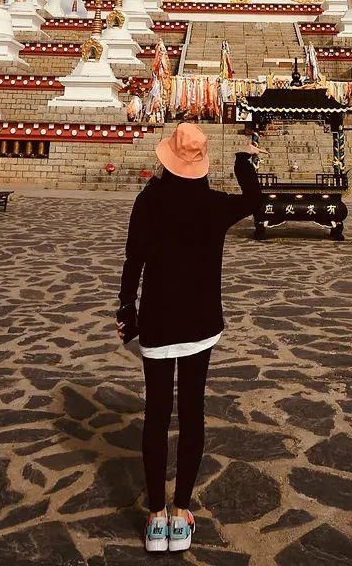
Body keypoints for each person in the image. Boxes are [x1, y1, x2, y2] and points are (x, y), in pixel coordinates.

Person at [116, 122, 263, 553]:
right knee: (192, 413)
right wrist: (243, 163)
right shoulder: (214, 206)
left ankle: (155, 515)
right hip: (200, 324)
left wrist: (127, 308)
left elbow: (133, 260)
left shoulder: (149, 200)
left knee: (157, 415)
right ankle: (182, 513)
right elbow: (254, 200)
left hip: (158, 323)